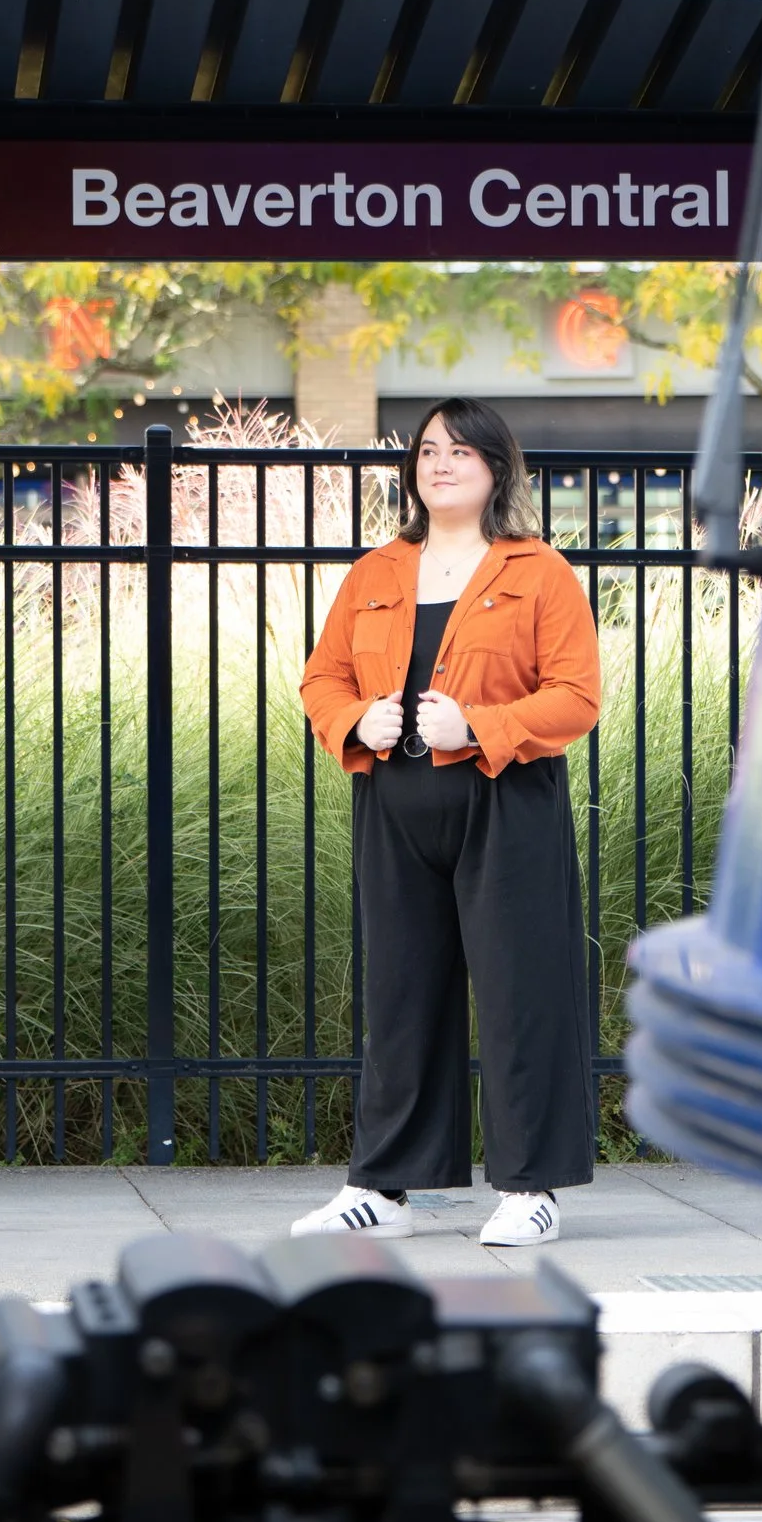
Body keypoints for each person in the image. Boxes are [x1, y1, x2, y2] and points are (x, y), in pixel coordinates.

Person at [293, 398, 603, 1246]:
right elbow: (320, 679)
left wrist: (481, 727)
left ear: (497, 468)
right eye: (428, 449)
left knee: (519, 992)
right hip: (395, 805)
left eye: (460, 451)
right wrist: (356, 719)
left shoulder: (539, 572)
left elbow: (577, 696)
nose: (439, 463)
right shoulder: (375, 573)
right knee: (399, 995)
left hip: (507, 804)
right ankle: (383, 1187)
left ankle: (531, 1187)